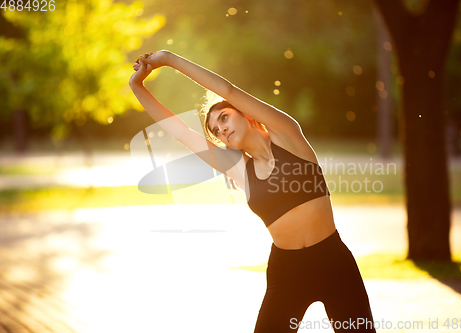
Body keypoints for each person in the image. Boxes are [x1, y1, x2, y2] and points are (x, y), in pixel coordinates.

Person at [129, 50, 376, 332]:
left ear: (245, 114)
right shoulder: (238, 170)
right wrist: (137, 86)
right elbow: (181, 132)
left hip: (334, 263)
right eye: (214, 131)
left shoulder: (287, 135)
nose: (220, 130)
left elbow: (226, 89)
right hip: (287, 271)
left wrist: (169, 59)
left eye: (224, 118)